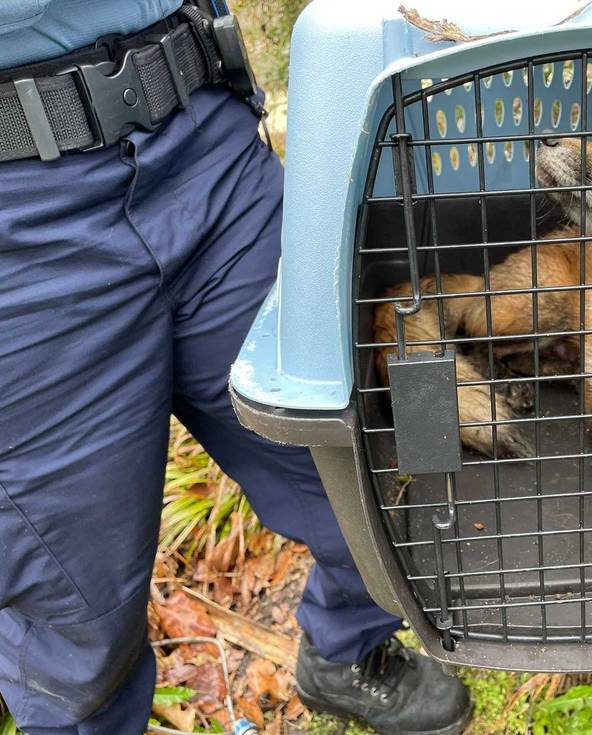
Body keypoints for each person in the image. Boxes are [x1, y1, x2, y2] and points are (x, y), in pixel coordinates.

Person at [0, 2, 471, 733]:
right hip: (20, 231)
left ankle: (346, 652)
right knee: (79, 622)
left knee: (395, 455)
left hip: (202, 134)